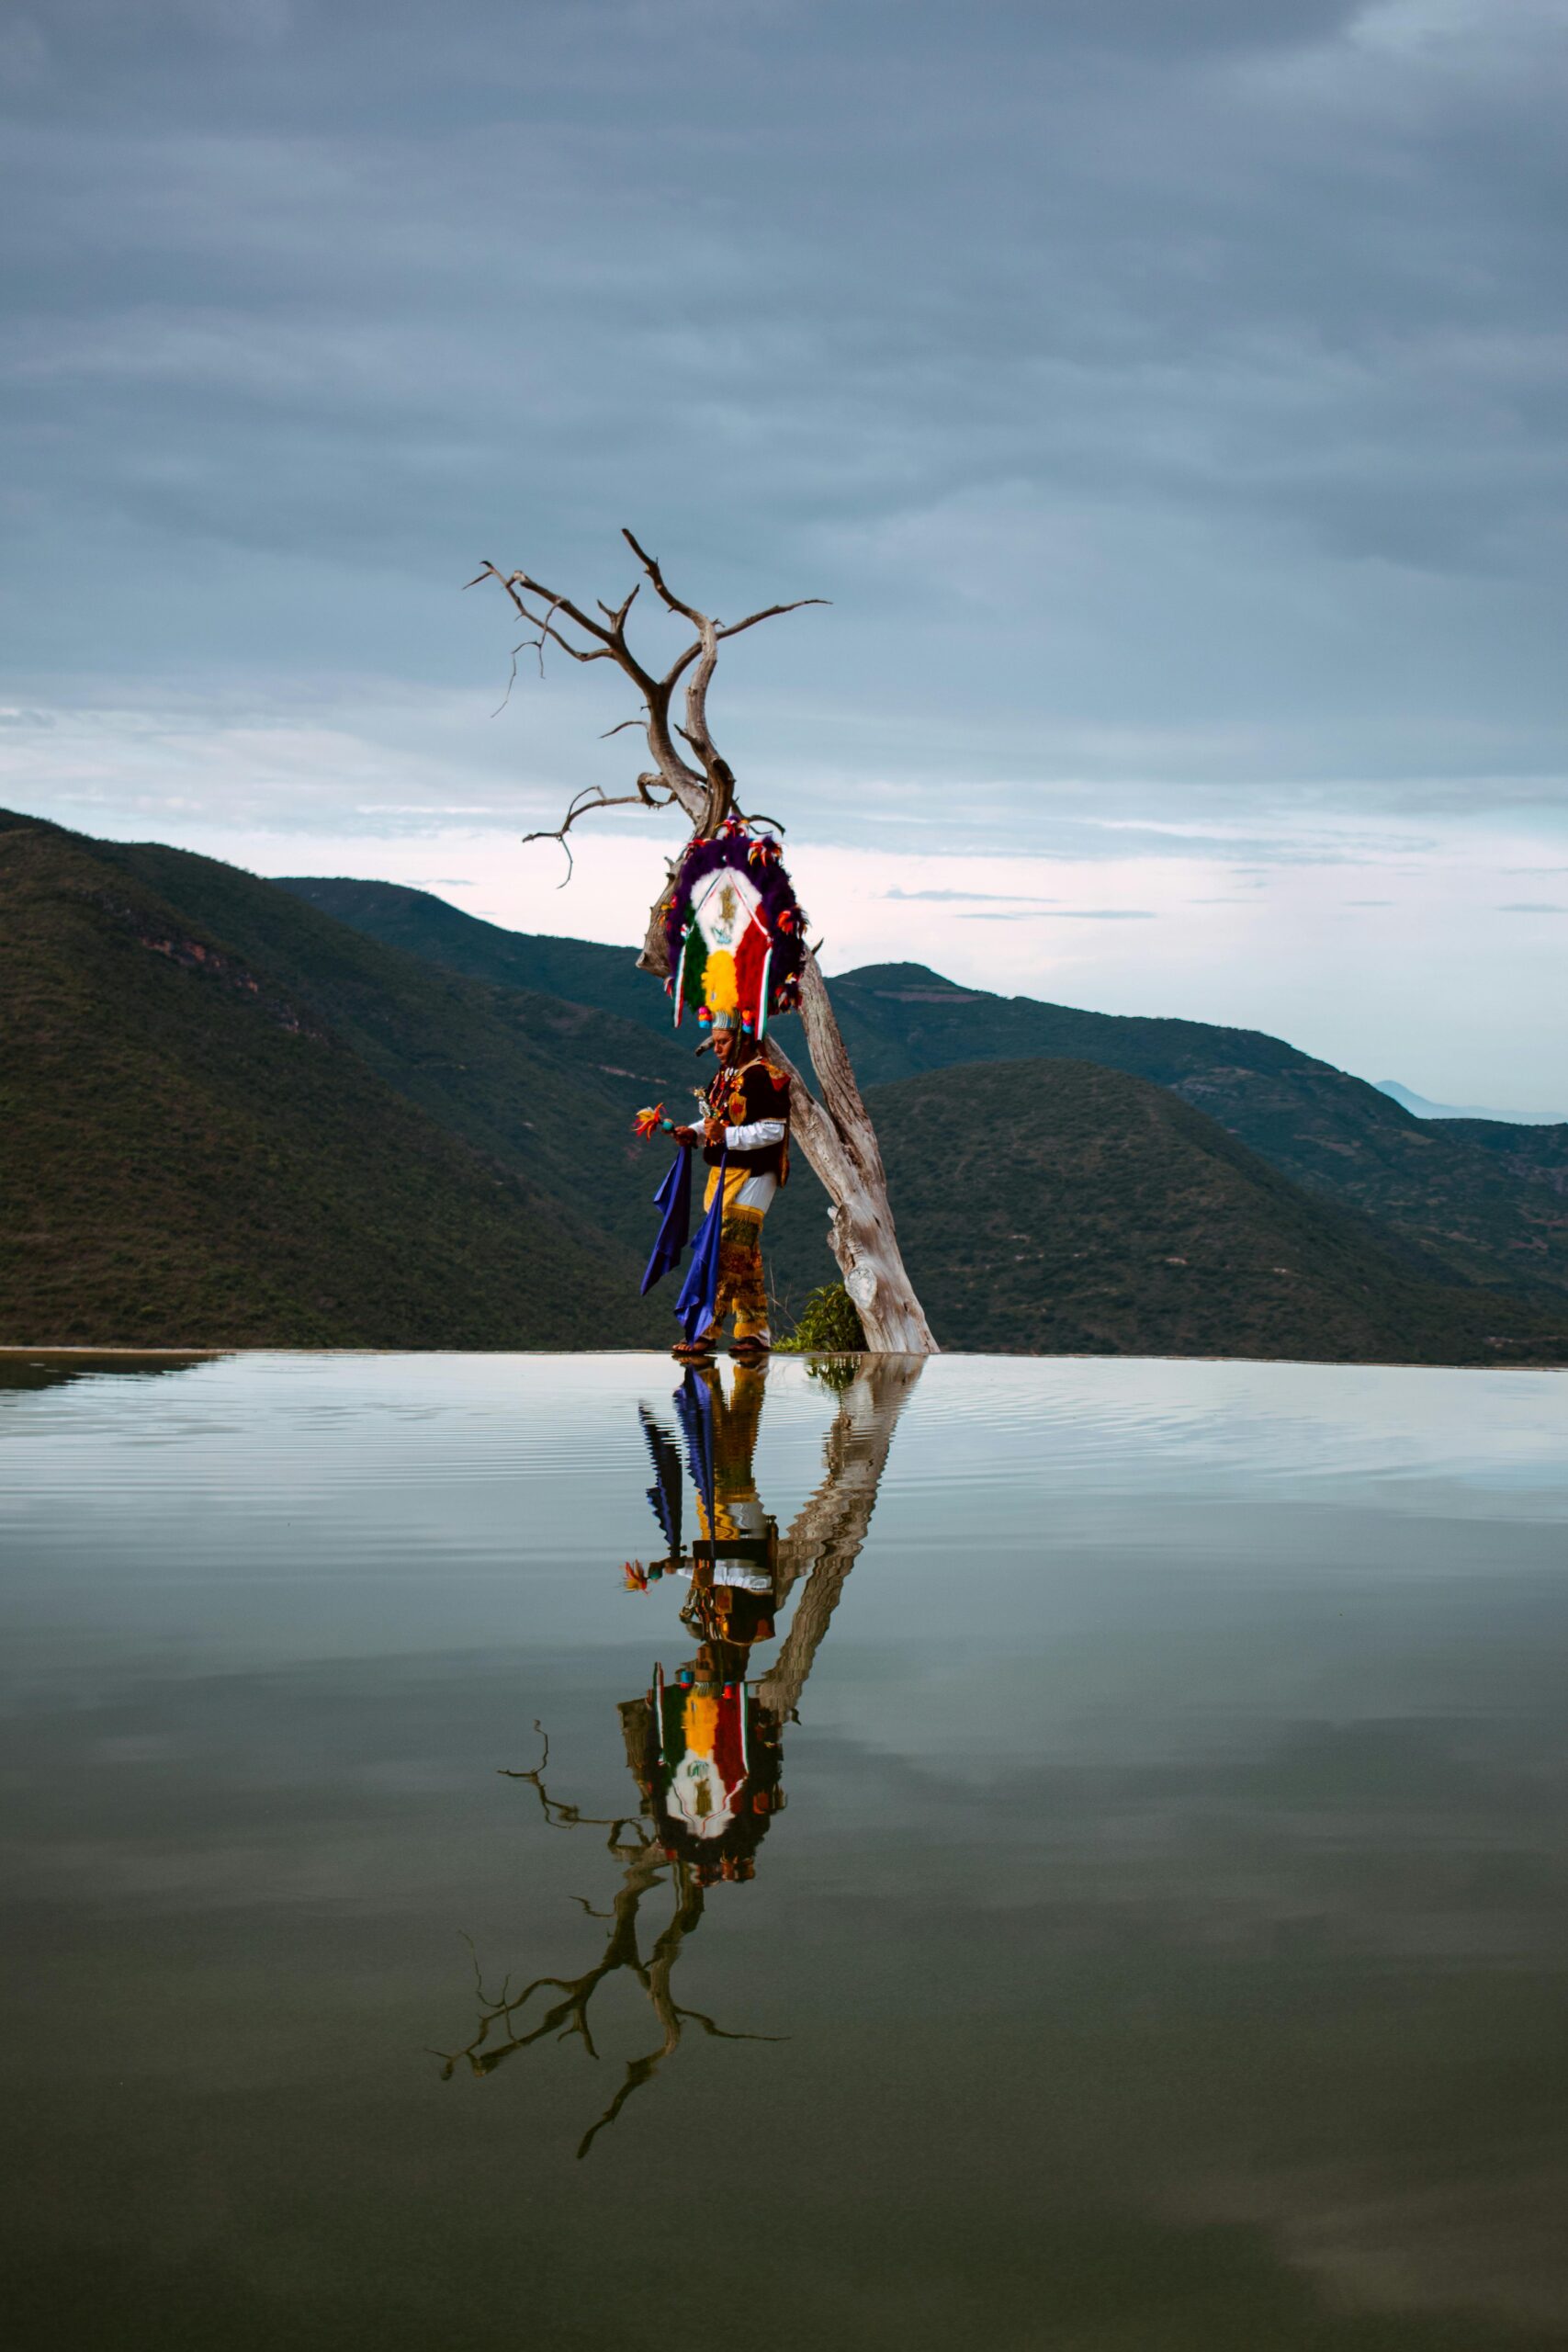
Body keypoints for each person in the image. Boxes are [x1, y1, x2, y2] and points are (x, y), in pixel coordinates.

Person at [670, 1016, 790, 1363]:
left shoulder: (765, 1077)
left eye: (723, 1042)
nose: (717, 1049)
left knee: (726, 1251)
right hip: (724, 1174)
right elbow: (714, 1121)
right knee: (742, 1253)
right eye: (715, 1042)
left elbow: (773, 1131)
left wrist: (727, 1137)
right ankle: (754, 1333)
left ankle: (704, 1331)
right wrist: (695, 1133)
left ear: (744, 1040)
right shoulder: (724, 1078)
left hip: (755, 1174)